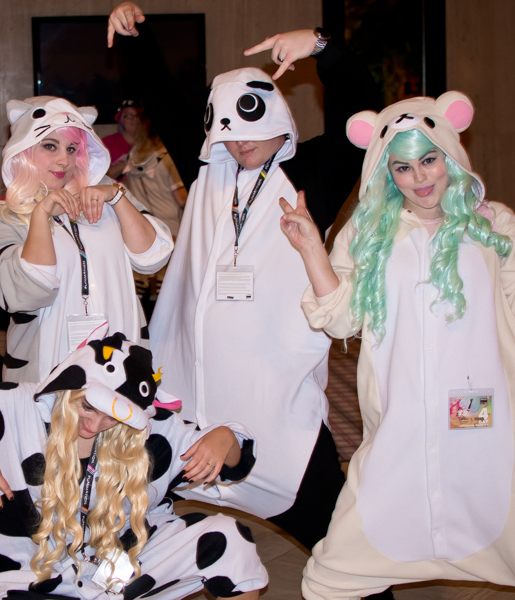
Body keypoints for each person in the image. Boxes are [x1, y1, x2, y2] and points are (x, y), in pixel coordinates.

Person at [280, 91, 515, 598]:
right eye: (402, 167)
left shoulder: (492, 224)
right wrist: (311, 250)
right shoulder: (367, 234)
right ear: (386, 172)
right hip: (402, 426)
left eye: (429, 160)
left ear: (451, 153)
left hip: (488, 422)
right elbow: (340, 319)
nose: (420, 178)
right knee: (332, 576)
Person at [108, 2, 388, 576]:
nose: (241, 146)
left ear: (281, 118)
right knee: (126, 513)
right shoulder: (206, 172)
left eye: (253, 131)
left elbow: (363, 116)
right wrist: (135, 34)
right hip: (188, 394)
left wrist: (322, 47)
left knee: (337, 537)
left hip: (275, 401)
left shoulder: (311, 175)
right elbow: (165, 96)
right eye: (229, 135)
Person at [0, 325, 268, 600]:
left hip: (121, 567)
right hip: (28, 576)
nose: (94, 424)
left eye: (113, 418)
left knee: (229, 541)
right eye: (88, 405)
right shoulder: (19, 405)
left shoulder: (150, 432)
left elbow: (235, 459)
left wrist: (225, 437)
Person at [0, 96, 173, 384]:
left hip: (120, 367)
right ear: (23, 149)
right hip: (48, 373)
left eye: (72, 148)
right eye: (50, 146)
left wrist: (117, 197)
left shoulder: (106, 194)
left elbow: (153, 256)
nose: (64, 160)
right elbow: (23, 294)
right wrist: (41, 214)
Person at [122, 111, 187, 237]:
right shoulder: (167, 158)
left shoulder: (131, 156)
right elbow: (181, 199)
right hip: (170, 227)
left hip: (143, 224)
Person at [104, 99, 142, 180]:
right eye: (129, 115)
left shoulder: (152, 144)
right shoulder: (107, 142)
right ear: (122, 120)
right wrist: (128, 161)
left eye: (138, 115)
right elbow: (102, 177)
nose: (135, 119)